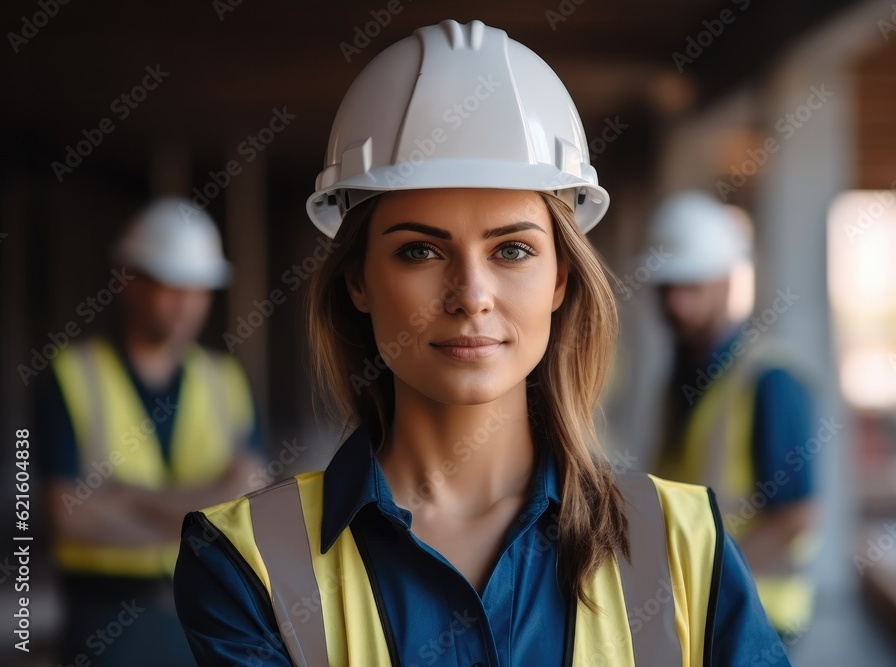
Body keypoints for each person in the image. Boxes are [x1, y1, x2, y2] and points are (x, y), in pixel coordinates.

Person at [173, 20, 790, 666]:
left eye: (512, 249)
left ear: (560, 277)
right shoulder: (246, 563)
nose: (471, 294)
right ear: (358, 280)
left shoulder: (688, 544)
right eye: (419, 250)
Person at [37, 198, 267, 666]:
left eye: (200, 288)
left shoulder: (226, 382)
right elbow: (67, 516)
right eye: (171, 285)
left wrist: (126, 498)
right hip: (105, 621)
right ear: (129, 281)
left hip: (211, 619)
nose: (188, 303)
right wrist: (202, 514)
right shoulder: (71, 376)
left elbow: (252, 508)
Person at [646, 190, 817, 640]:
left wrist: (707, 580)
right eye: (666, 289)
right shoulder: (680, 378)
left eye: (692, 287)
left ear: (726, 280)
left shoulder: (769, 379)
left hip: (755, 616)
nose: (676, 304)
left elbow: (795, 515)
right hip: (694, 613)